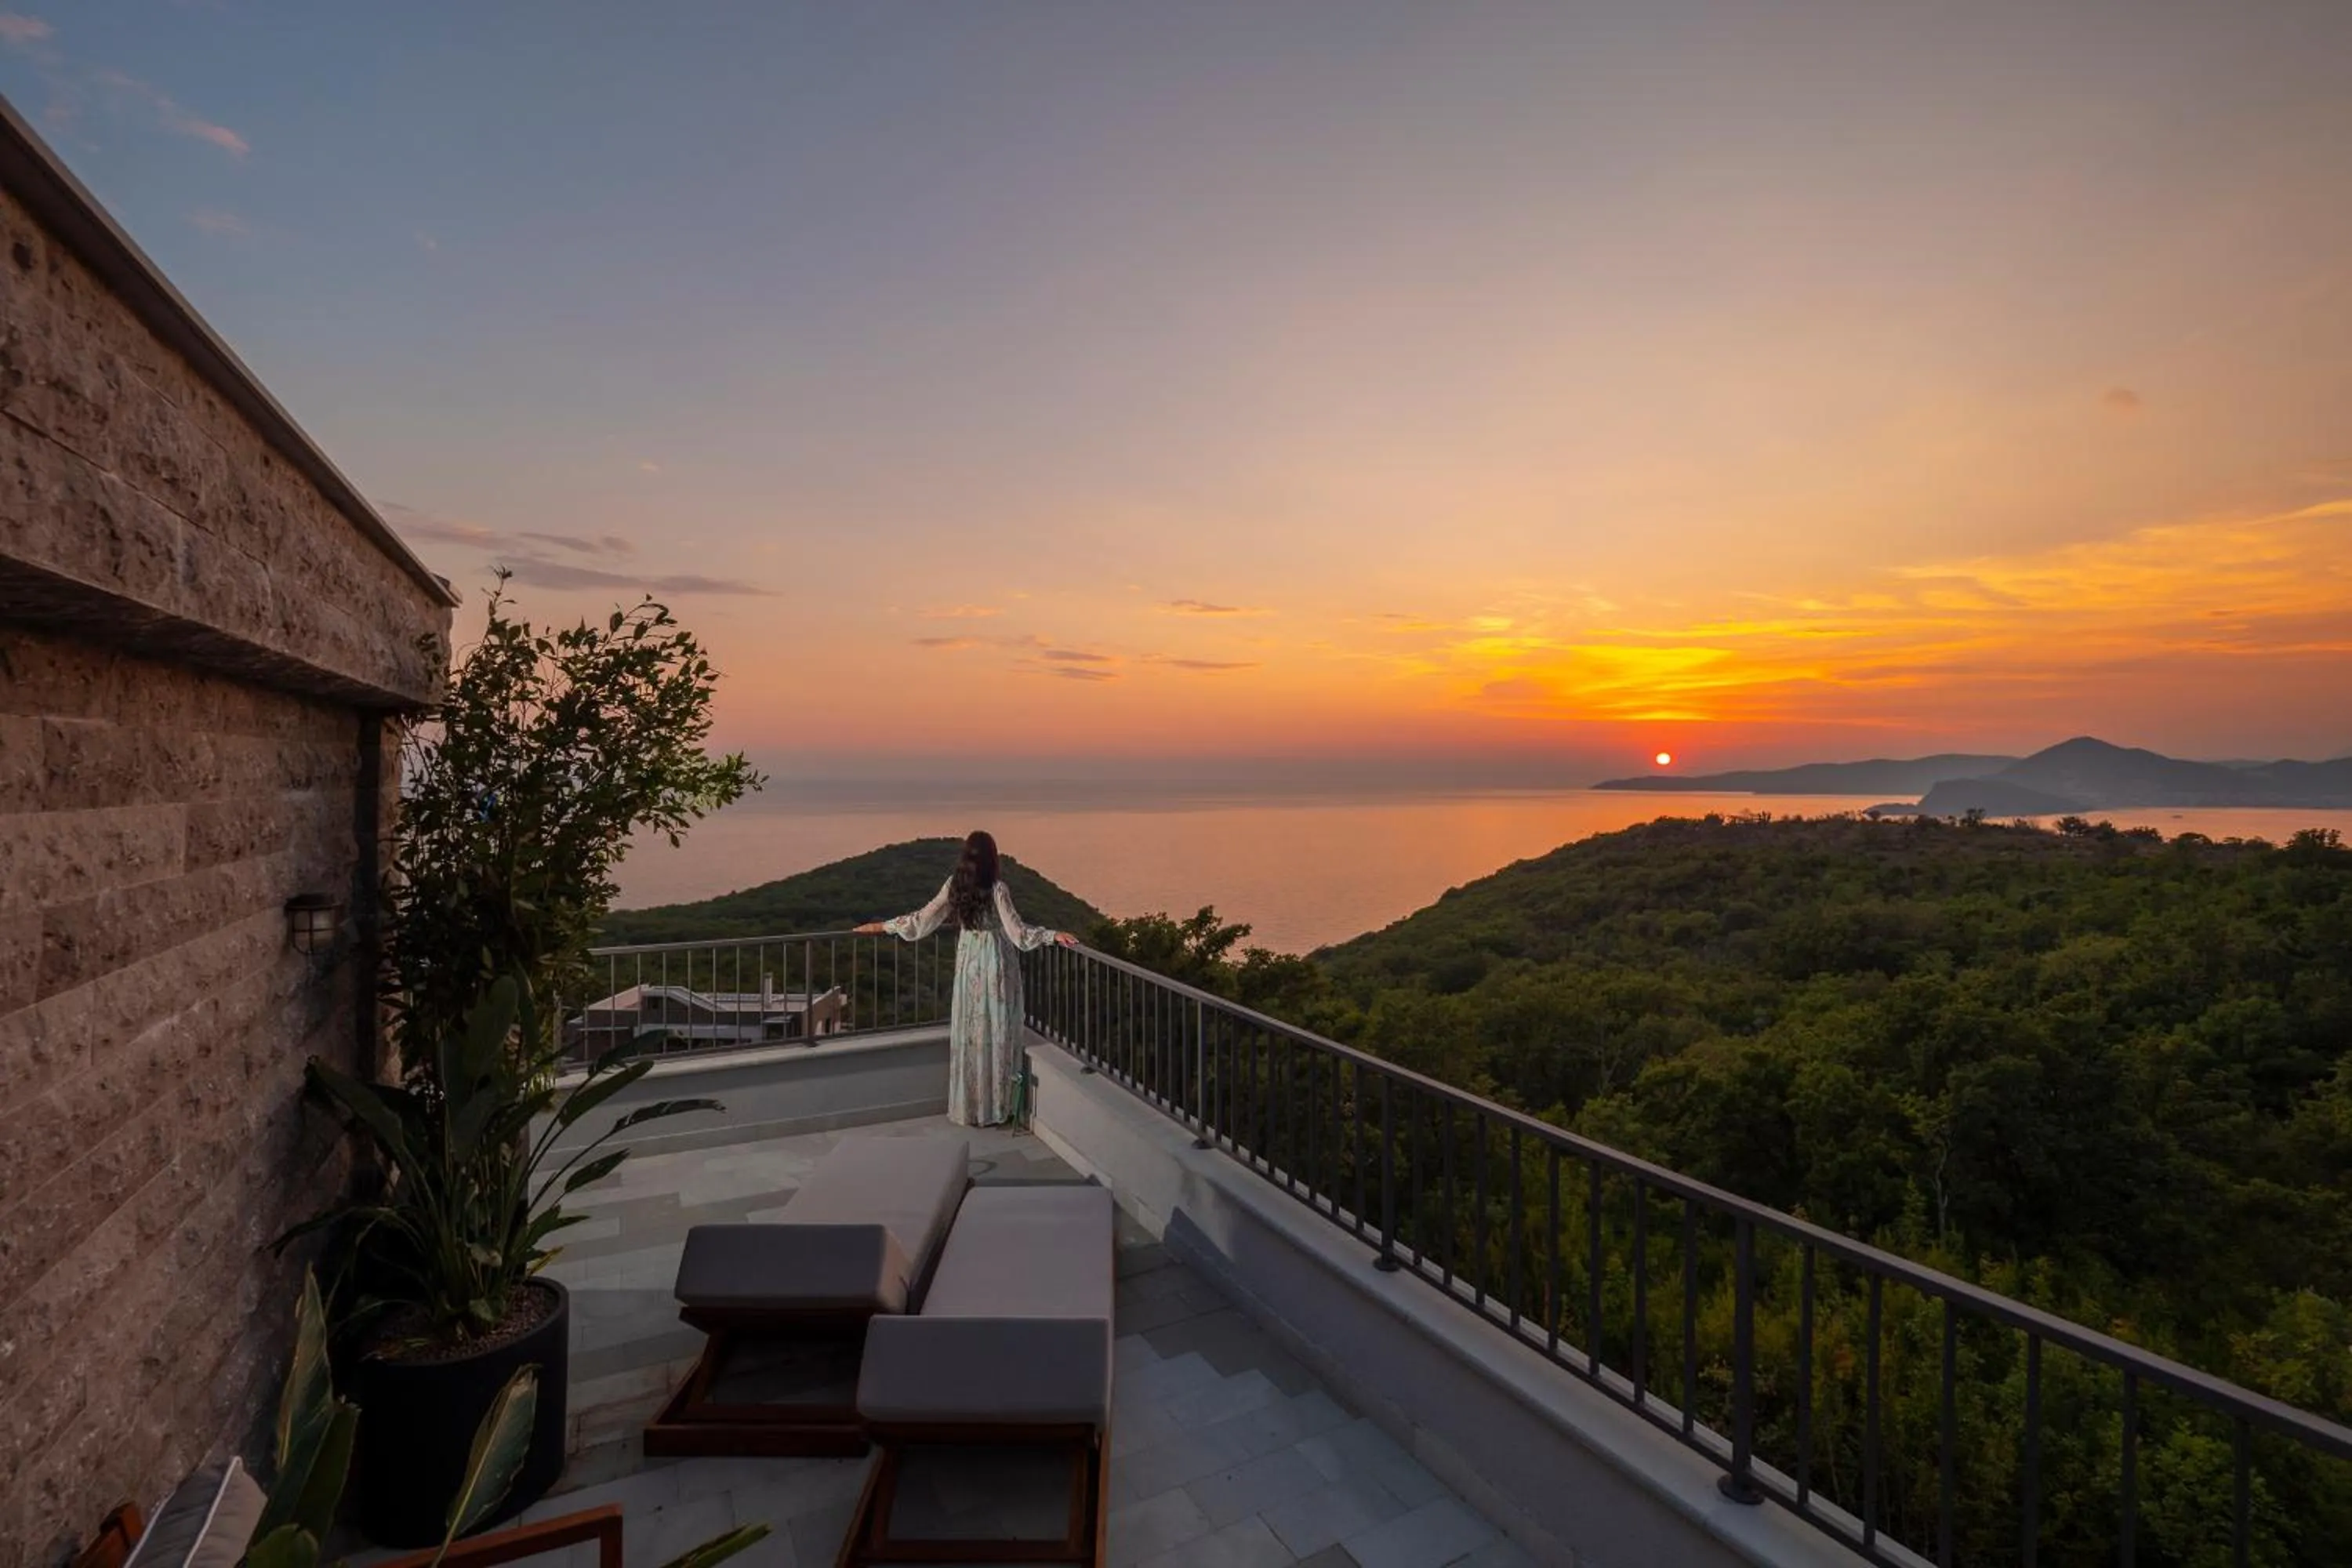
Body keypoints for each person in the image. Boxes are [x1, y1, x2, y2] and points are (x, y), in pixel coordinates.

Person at [855, 831, 1078, 1127]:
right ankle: (998, 1107)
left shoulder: (955, 885)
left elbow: (922, 920)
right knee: (998, 1032)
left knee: (971, 1032)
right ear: (992, 858)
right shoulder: (998, 888)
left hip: (970, 964)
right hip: (996, 963)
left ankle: (970, 1106)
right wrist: (1052, 936)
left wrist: (883, 927)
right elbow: (1019, 934)